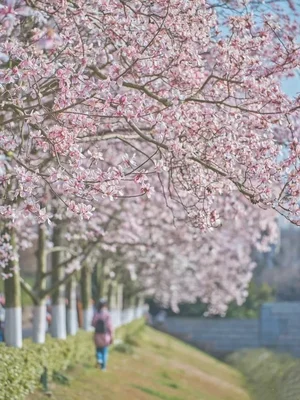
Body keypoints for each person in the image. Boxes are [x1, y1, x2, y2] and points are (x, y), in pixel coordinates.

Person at [92, 298, 114, 371]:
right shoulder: (107, 315)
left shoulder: (97, 314)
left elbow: (93, 323)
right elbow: (110, 326)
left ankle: (99, 358)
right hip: (106, 335)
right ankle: (103, 367)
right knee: (104, 350)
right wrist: (112, 336)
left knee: (98, 349)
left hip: (97, 334)